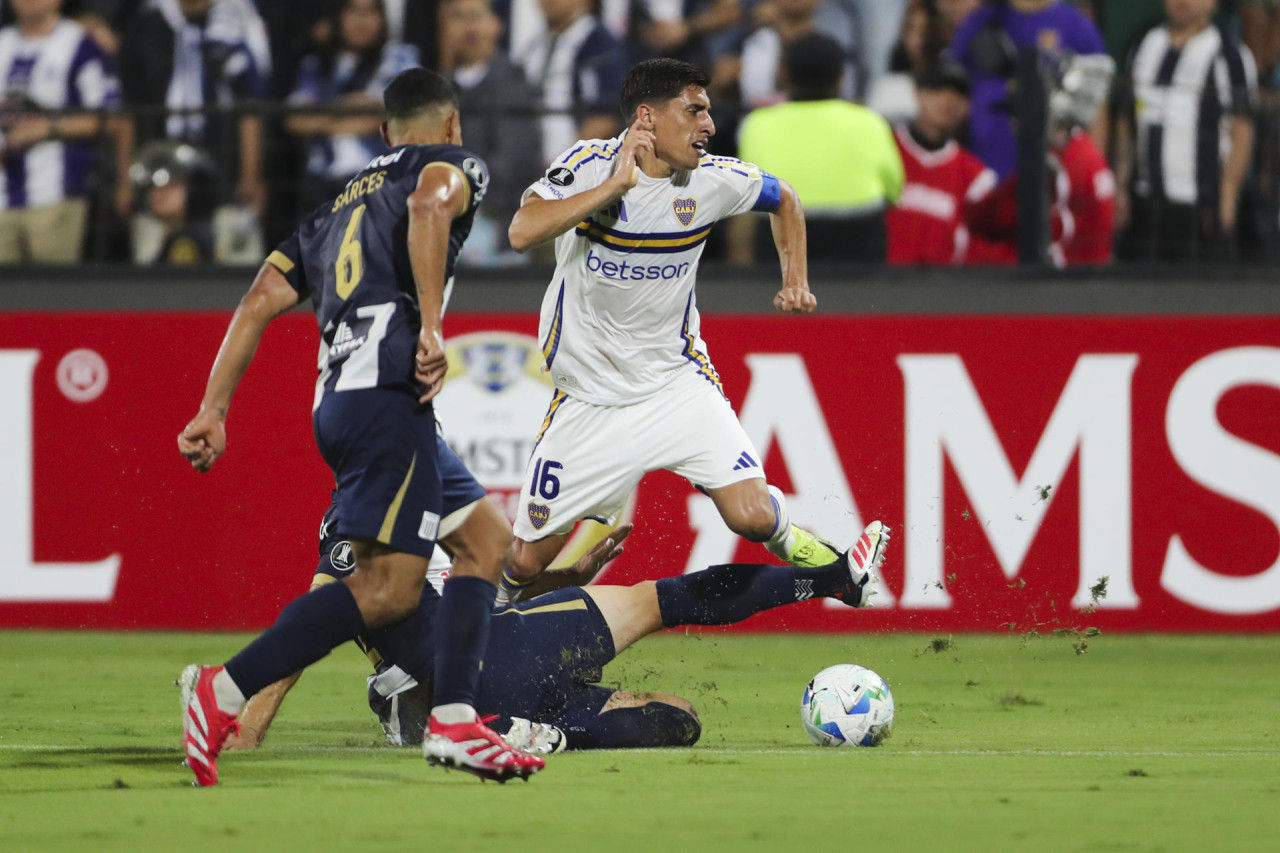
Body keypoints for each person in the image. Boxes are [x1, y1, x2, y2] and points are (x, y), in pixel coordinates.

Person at [176, 67, 544, 786]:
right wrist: (433, 326)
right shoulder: (453, 165)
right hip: (388, 396)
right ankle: (221, 690)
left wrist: (213, 407)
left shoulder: (330, 211)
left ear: (383, 133)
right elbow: (433, 209)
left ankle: (456, 721)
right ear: (452, 126)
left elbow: (257, 298)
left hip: (344, 401)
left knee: (485, 542)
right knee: (387, 591)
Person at [504, 58, 890, 600]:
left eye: (708, 111)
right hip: (591, 400)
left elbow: (785, 199)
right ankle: (478, 644)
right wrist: (615, 186)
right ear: (647, 117)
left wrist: (794, 279)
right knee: (524, 561)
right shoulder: (590, 164)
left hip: (674, 385)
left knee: (754, 516)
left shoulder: (713, 181)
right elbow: (523, 232)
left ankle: (839, 576)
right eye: (694, 110)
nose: (709, 124)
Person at [248, 516, 890, 752]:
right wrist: (247, 728)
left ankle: (540, 734)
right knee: (656, 601)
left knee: (682, 717)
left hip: (496, 667)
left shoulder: (412, 514)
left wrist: (568, 574)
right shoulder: (358, 529)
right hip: (506, 651)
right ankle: (833, 578)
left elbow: (499, 585)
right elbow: (304, 634)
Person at [737, 33, 905, 262]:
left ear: (784, 73)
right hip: (859, 251)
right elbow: (893, 191)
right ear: (842, 76)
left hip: (780, 253)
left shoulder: (756, 124)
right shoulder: (870, 122)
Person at [1114, 0, 1257, 261]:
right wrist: (1121, 186)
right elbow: (1126, 121)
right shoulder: (1145, 45)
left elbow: (1241, 131)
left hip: (1201, 206)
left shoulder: (1228, 54)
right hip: (1146, 202)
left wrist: (1227, 196)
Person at [0, 0, 130, 263]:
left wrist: (46, 129)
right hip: (2, 197)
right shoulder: (3, 44)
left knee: (50, 295)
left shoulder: (79, 44)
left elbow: (114, 119)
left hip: (56, 193)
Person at [283, 0, 420, 213]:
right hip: (320, 189)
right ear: (339, 16)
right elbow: (295, 121)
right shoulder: (316, 65)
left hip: (380, 187)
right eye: (353, 11)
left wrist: (321, 118)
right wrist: (353, 104)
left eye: (370, 12)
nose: (362, 20)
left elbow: (400, 116)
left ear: (383, 18)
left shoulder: (400, 58)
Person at [951, 0, 1107, 178]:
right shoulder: (979, 21)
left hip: (1051, 173)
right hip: (982, 167)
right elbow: (952, 88)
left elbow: (1097, 107)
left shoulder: (1076, 25)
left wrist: (1093, 174)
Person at [441, 0, 543, 264]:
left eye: (476, 16)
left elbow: (514, 161)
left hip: (496, 222)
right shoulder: (440, 87)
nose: (468, 26)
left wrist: (460, 197)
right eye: (459, 18)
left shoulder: (513, 83)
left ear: (496, 25)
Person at [886, 59, 1000, 266]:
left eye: (959, 93)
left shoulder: (976, 176)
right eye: (938, 89)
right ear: (918, 94)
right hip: (876, 286)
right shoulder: (885, 148)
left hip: (942, 291)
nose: (948, 100)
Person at [521, 0, 628, 167]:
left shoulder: (599, 44)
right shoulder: (535, 45)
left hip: (575, 168)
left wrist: (565, 167)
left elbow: (604, 117)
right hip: (528, 163)